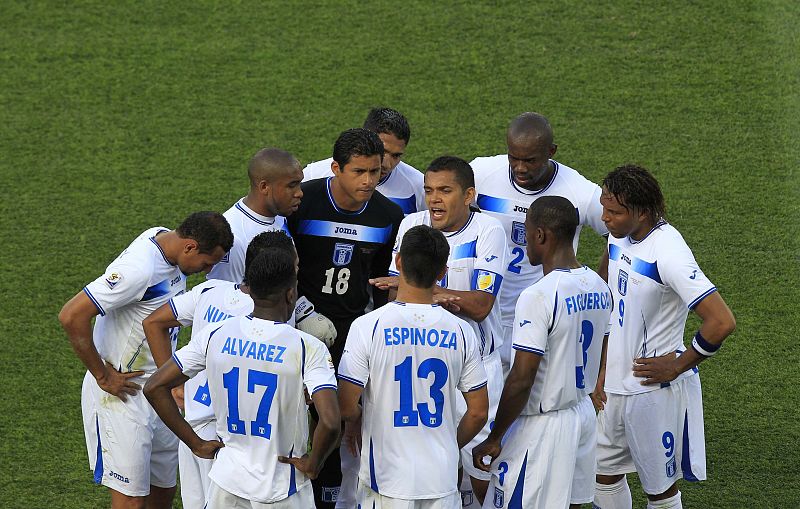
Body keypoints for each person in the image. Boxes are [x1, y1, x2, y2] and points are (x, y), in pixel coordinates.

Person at [58, 211, 233, 509]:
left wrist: (171, 381)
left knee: (162, 492)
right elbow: (71, 315)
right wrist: (103, 376)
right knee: (131, 501)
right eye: (207, 263)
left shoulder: (164, 237)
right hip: (123, 395)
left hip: (157, 391)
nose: (206, 271)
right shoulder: (138, 271)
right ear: (190, 246)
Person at [143, 247, 341, 508]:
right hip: (282, 486)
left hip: (227, 481)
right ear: (291, 293)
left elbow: (154, 386)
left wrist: (195, 443)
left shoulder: (215, 334)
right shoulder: (307, 346)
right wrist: (314, 463)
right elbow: (330, 421)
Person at [593, 165, 736, 509]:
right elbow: (605, 281)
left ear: (641, 212)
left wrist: (678, 366)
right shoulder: (618, 234)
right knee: (602, 475)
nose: (605, 218)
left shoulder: (668, 252)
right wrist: (598, 371)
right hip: (611, 386)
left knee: (659, 491)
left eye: (613, 212)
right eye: (604, 208)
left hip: (650, 392)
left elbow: (721, 321)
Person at [371, 156, 506, 506]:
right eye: (429, 190)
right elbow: (392, 296)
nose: (434, 199)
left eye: (445, 191)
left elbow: (480, 306)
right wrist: (426, 293)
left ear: (469, 195)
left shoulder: (489, 231)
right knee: (432, 467)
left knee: (481, 470)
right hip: (424, 364)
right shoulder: (411, 226)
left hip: (478, 366)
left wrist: (424, 290)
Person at [287, 127, 404, 507]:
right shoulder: (303, 203)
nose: (369, 181)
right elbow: (280, 265)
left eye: (375, 171)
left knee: (336, 423)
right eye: (360, 172)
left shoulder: (389, 215)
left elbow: (386, 282)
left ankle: (329, 498)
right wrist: (301, 313)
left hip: (352, 335)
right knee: (290, 417)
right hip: (300, 330)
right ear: (336, 168)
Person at [471, 196, 612, 508]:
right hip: (582, 414)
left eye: (526, 231)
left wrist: (495, 436)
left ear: (541, 235)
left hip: (542, 426)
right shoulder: (599, 286)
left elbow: (522, 378)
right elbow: (603, 349)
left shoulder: (538, 295)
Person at [338, 224, 489, 508]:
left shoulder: (367, 326)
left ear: (398, 262)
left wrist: (359, 419)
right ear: (443, 273)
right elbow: (479, 412)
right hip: (441, 480)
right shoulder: (461, 331)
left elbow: (346, 406)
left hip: (385, 482)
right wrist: (447, 444)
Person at [471, 112, 608, 375]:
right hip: (486, 313)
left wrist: (600, 285)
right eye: (514, 157)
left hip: (542, 317)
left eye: (530, 160)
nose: (520, 168)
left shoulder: (579, 191)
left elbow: (620, 235)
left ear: (551, 151)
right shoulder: (482, 173)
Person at [208, 147, 337, 347]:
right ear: (264, 187)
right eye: (292, 186)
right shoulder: (233, 235)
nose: (300, 193)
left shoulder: (278, 216)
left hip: (279, 340)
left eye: (300, 184)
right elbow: (224, 304)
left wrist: (302, 313)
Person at [303, 107, 425, 215]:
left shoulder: (418, 185)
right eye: (382, 151)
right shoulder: (314, 175)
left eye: (396, 156)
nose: (387, 164)